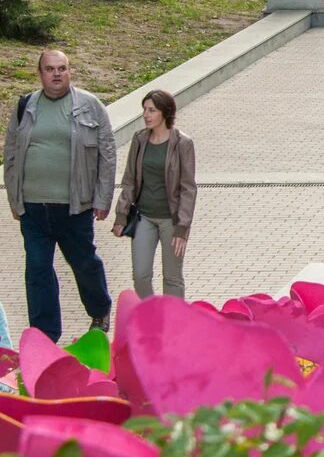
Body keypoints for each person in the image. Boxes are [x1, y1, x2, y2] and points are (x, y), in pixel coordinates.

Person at [3, 50, 114, 342]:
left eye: (62, 68)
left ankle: (100, 309)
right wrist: (15, 199)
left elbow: (107, 154)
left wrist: (102, 199)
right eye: (50, 69)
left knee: (84, 262)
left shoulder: (90, 106)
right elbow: (11, 153)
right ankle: (44, 336)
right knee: (38, 270)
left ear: (70, 71)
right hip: (33, 207)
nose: (56, 74)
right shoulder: (25, 107)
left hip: (74, 207)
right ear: (40, 74)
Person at [111, 89, 196, 299]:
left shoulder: (182, 143)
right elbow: (129, 179)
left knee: (172, 278)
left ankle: (173, 325)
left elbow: (188, 188)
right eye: (144, 110)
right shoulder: (140, 139)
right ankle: (150, 318)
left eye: (152, 110)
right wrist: (121, 215)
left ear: (165, 113)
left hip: (172, 220)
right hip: (144, 218)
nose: (146, 115)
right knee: (140, 275)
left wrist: (182, 228)